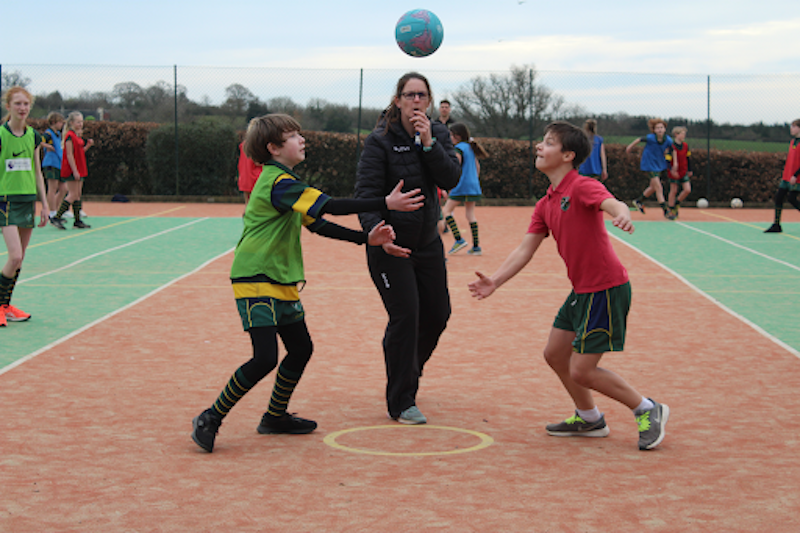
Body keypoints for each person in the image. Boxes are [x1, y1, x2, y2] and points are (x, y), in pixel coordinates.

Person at [191, 113, 424, 453]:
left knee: (301, 348)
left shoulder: (287, 182)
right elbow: (330, 205)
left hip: (280, 279)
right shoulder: (277, 182)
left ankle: (274, 416)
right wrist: (384, 203)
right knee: (264, 357)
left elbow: (318, 223)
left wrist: (365, 239)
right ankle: (210, 417)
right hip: (256, 276)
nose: (302, 140)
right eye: (293, 136)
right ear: (273, 148)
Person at [468, 121, 669, 451]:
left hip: (606, 287)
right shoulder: (546, 202)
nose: (539, 147)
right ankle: (589, 417)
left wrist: (622, 213)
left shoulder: (581, 186)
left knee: (582, 370)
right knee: (556, 355)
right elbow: (525, 249)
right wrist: (496, 281)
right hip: (583, 290)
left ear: (567, 155)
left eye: (548, 143)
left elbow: (611, 202)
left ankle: (647, 409)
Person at [354, 72, 462, 424]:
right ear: (397, 100)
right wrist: (376, 232)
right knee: (406, 317)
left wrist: (429, 144)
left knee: (438, 314)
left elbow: (450, 179)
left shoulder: (439, 133)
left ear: (429, 102)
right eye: (409, 95)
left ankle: (406, 372)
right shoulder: (379, 141)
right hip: (389, 246)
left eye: (422, 95)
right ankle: (401, 400)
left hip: (428, 244)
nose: (416, 101)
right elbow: (365, 194)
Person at [0, 87, 49, 327]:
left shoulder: (34, 137)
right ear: (8, 106)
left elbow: (38, 172)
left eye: (26, 104)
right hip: (5, 200)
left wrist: (45, 204)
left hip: (27, 200)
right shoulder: (0, 135)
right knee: (15, 255)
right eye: (17, 103)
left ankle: (6, 305)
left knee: (20, 259)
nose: (22, 108)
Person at [443, 122, 489, 256]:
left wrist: (451, 185)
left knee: (446, 211)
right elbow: (477, 167)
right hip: (473, 185)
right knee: (470, 215)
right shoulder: (470, 147)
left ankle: (458, 239)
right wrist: (474, 181)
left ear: (457, 136)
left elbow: (455, 168)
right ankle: (476, 247)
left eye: (451, 135)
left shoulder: (458, 149)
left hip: (461, 185)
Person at [53, 111, 93, 229]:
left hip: (80, 167)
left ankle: (77, 221)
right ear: (71, 123)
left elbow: (79, 153)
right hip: (72, 169)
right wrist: (75, 170)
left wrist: (88, 146)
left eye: (81, 122)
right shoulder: (69, 136)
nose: (80, 124)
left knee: (78, 195)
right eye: (78, 122)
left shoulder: (77, 135)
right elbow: (69, 155)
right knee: (73, 194)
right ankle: (56, 217)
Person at [626, 118, 672, 219]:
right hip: (649, 163)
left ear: (664, 129)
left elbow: (671, 149)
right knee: (659, 187)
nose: (660, 129)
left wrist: (668, 154)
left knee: (653, 187)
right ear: (654, 130)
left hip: (659, 164)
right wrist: (630, 146)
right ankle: (666, 210)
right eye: (657, 128)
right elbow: (639, 140)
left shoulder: (668, 140)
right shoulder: (651, 138)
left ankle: (638, 201)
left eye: (661, 127)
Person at [764, 119, 800, 233]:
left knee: (792, 199)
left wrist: (795, 175)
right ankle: (776, 224)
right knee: (779, 197)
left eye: (794, 127)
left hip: (797, 177)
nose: (791, 129)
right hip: (787, 176)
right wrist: (788, 174)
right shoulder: (792, 142)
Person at [40, 112, 65, 227]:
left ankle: (56, 211)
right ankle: (53, 213)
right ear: (54, 122)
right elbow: (39, 141)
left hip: (59, 163)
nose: (62, 124)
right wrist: (48, 146)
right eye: (60, 122)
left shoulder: (58, 134)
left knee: (64, 189)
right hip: (51, 163)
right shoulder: (48, 134)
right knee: (52, 188)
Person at [665, 126, 693, 220]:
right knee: (674, 190)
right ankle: (671, 209)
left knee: (687, 189)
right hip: (674, 171)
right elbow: (668, 160)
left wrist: (689, 169)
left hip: (683, 171)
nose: (684, 136)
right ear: (676, 134)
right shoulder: (671, 146)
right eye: (682, 134)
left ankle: (676, 203)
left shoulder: (685, 145)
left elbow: (688, 158)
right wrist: (672, 170)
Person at [237, 140, 263, 207]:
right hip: (255, 176)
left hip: (244, 175)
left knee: (247, 203)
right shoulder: (256, 144)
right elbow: (257, 162)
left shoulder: (244, 144)